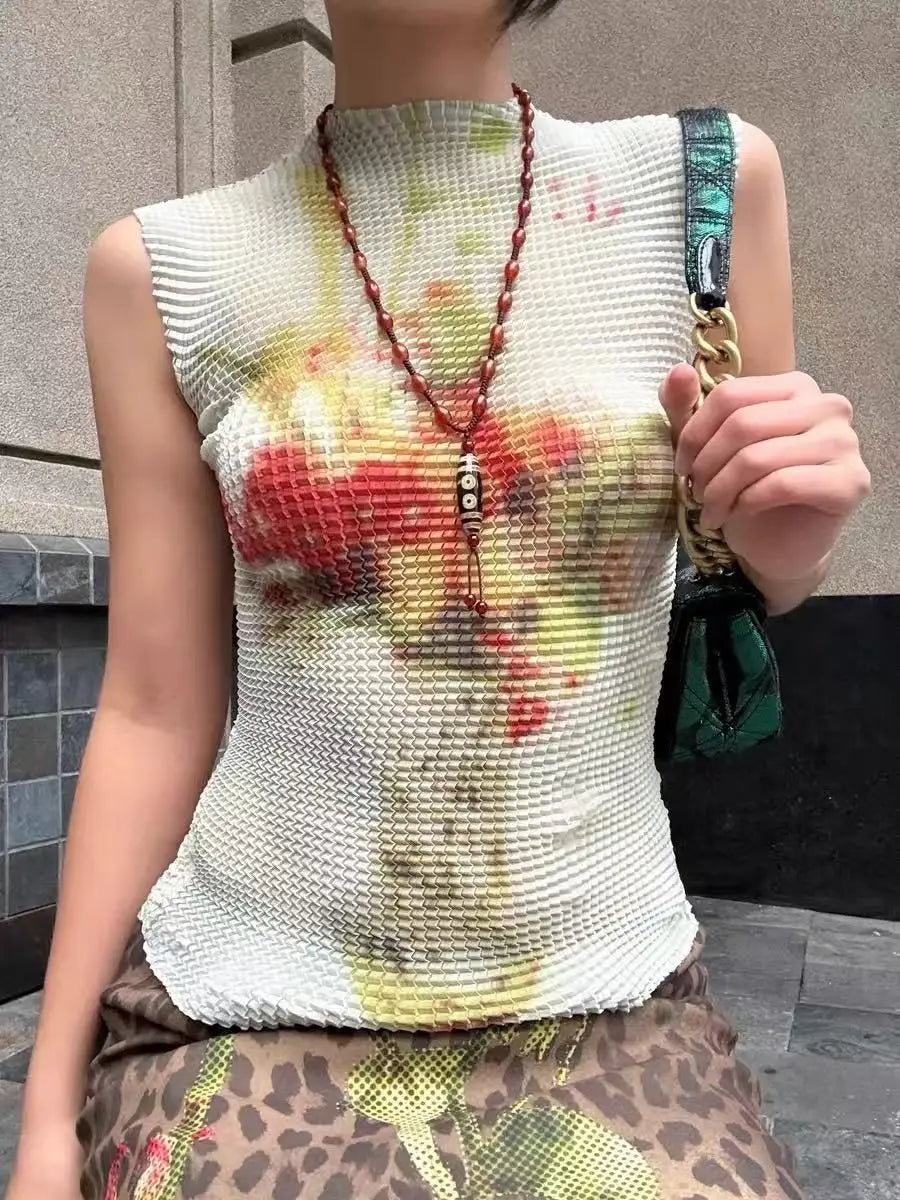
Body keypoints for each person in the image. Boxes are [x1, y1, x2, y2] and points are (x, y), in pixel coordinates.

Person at [7, 1, 870, 1197]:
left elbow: (755, 561)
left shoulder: (702, 193)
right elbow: (156, 706)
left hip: (609, 989)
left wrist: (788, 548)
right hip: (244, 989)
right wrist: (47, 1119)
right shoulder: (163, 270)